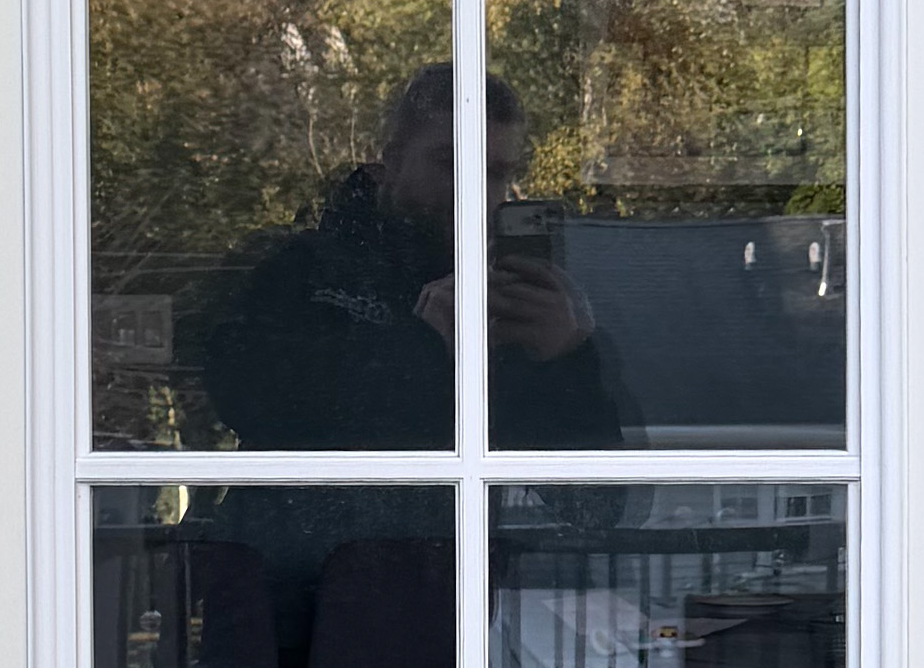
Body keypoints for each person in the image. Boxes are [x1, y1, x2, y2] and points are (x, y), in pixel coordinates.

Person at [193, 62, 633, 451]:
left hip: (464, 526)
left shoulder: (517, 310)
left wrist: (565, 361)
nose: (471, 188)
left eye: (495, 172)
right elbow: (244, 401)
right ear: (394, 161)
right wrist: (423, 344)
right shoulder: (300, 269)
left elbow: (600, 502)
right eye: (450, 162)